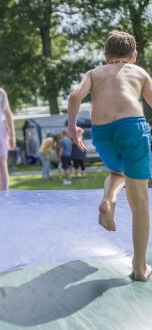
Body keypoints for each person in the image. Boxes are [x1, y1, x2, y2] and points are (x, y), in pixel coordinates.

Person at [68, 30, 152, 281]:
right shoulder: (139, 72)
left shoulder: (94, 73)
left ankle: (109, 199)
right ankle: (139, 266)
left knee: (117, 172)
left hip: (102, 132)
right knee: (140, 201)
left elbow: (74, 96)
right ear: (133, 56)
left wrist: (73, 127)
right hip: (132, 127)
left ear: (106, 56)